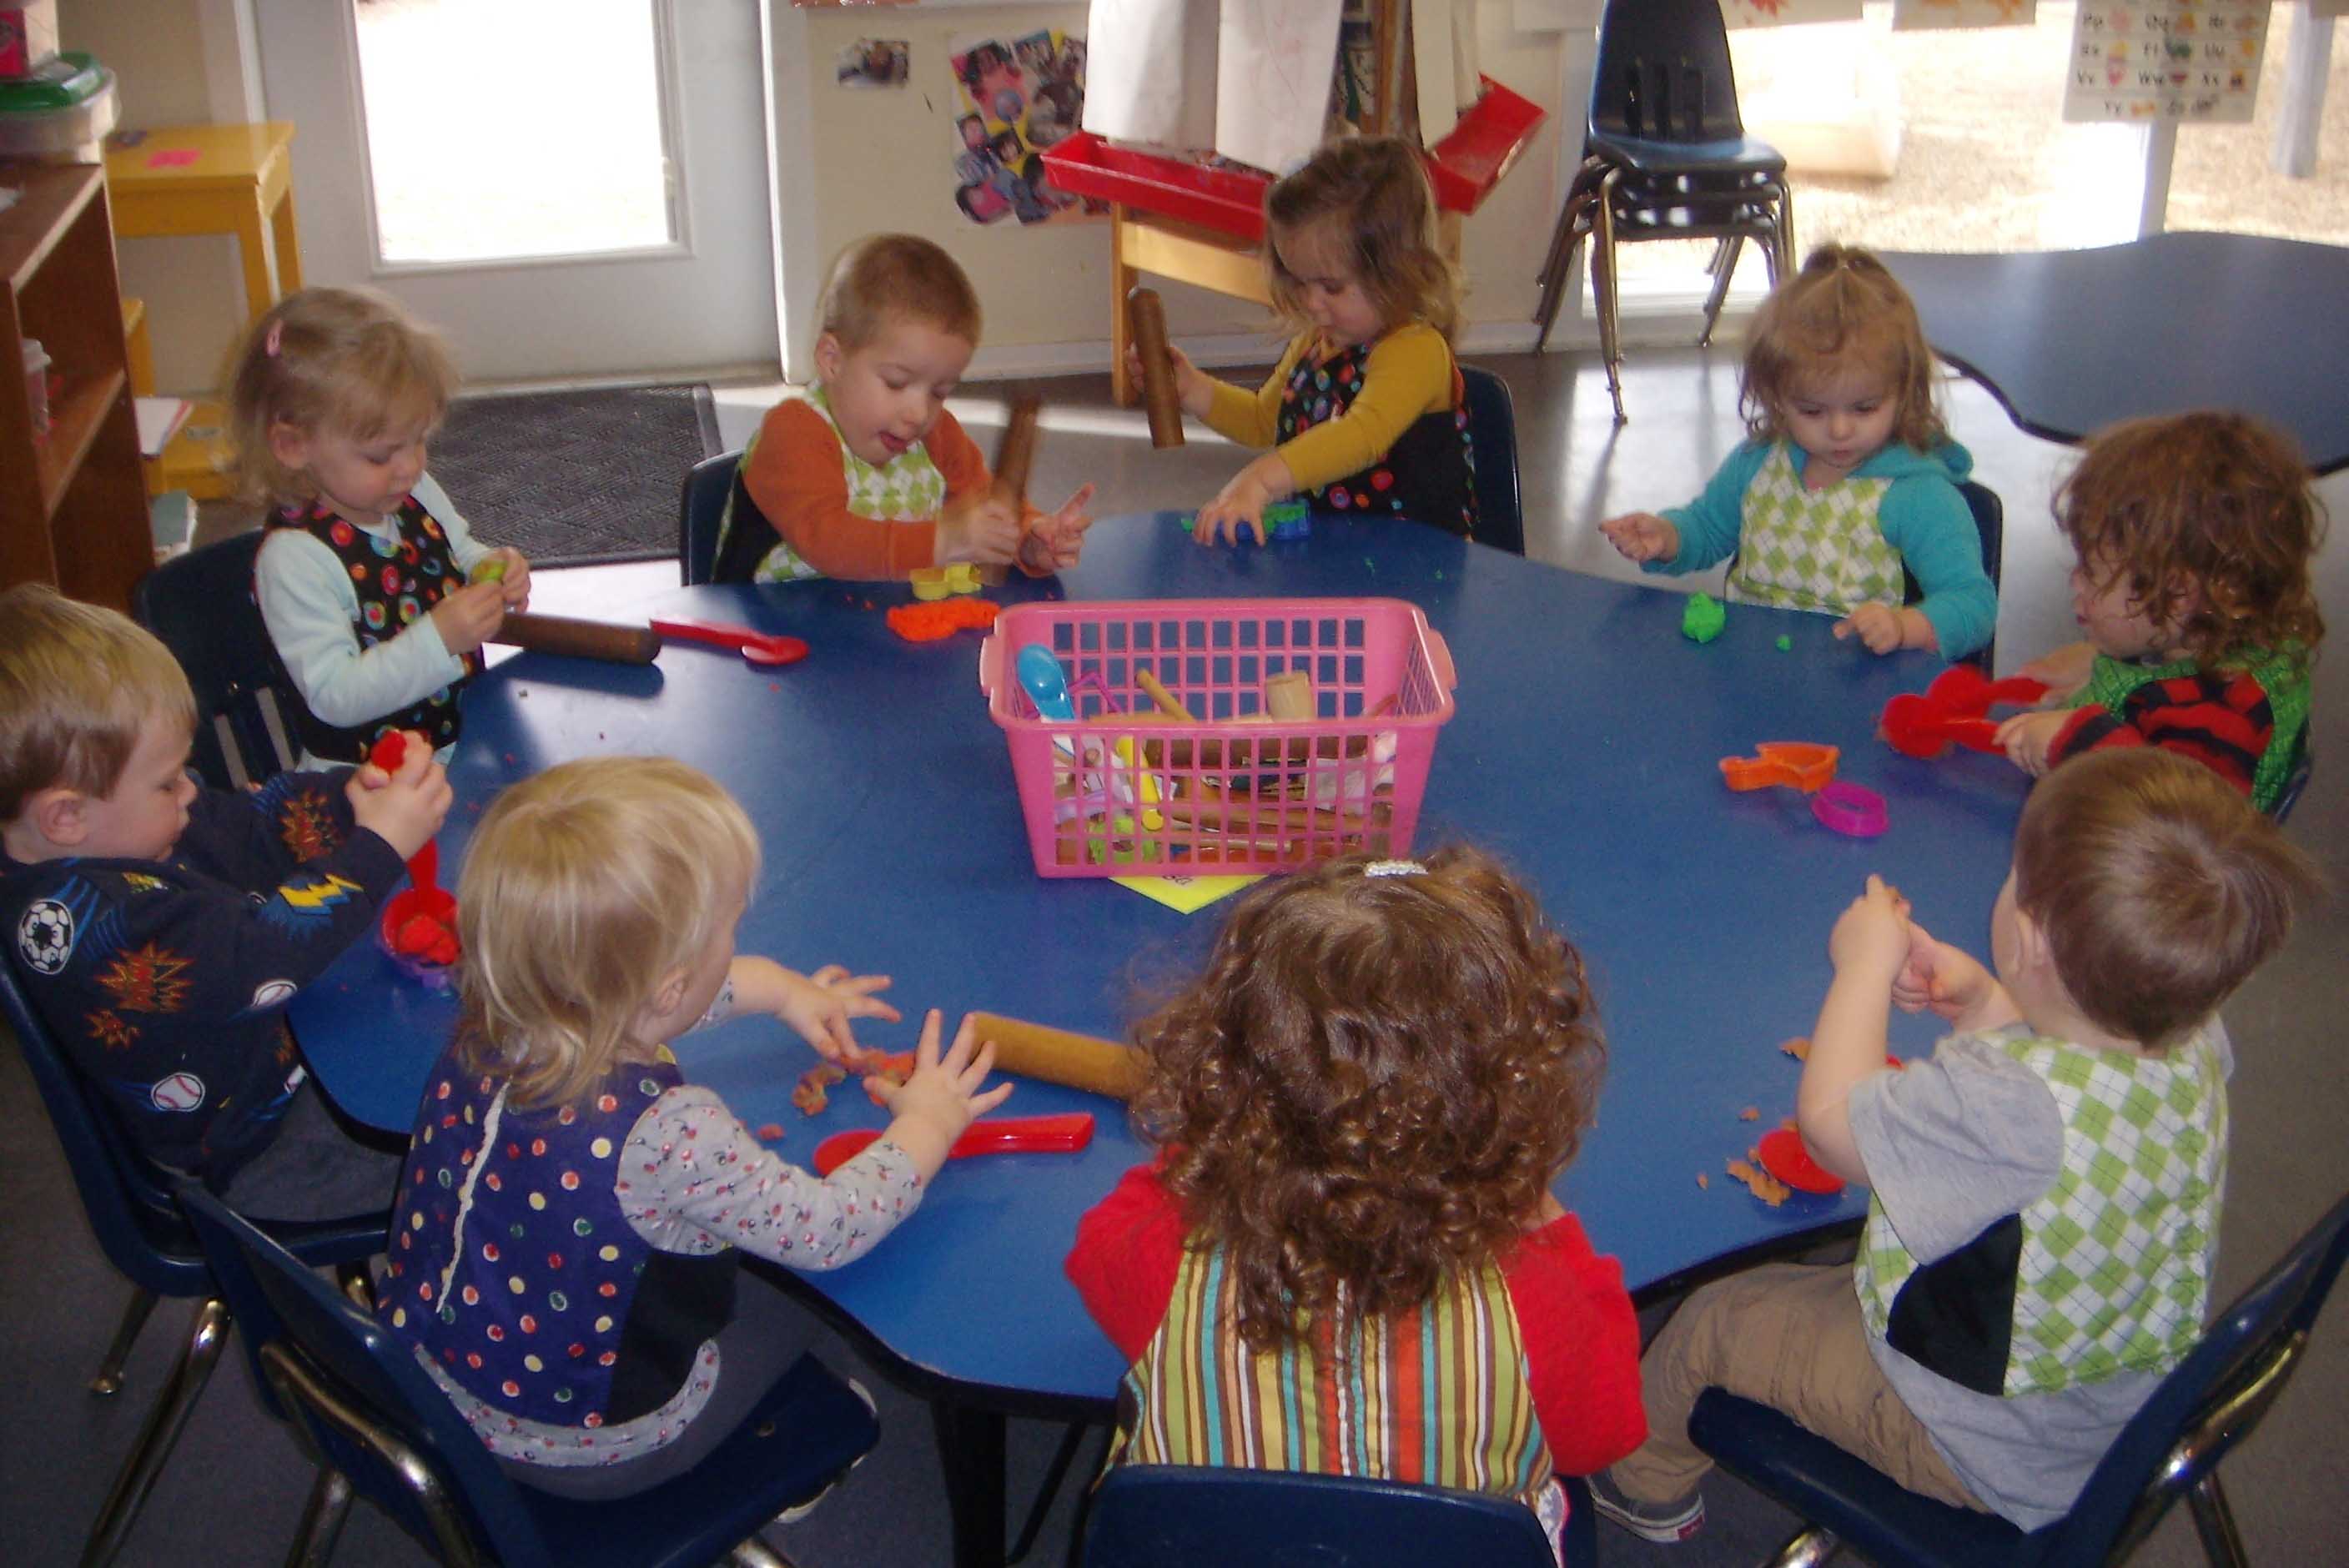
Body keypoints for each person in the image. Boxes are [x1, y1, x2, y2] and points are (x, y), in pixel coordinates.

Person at [1594, 749, 2318, 1542]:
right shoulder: (2191, 1039)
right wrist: (1988, 1002)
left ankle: (1643, 1492)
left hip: (1970, 1440)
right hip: (2097, 1407)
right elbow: (2078, 1074)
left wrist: (1862, 967)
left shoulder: (2007, 1104)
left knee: (1713, 1321)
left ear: (2032, 937)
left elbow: (1833, 1128)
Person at [377, 756, 1010, 1496]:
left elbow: (619, 1005)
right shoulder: (669, 1134)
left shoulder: (493, 1020)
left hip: (426, 1374)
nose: (737, 938)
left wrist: (779, 989)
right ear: (671, 983)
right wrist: (928, 1124)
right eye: (731, 929)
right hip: (586, 1450)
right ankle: (780, 1469)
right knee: (816, 1311)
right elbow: (826, 1228)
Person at [1067, 847, 1645, 1557]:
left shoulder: (1164, 1249)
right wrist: (1551, 1232)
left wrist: (1213, 1152)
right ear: (1508, 1103)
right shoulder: (1536, 1297)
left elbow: (1095, 1256)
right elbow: (1601, 1438)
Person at [0, 585, 451, 1220]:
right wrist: (375, 847)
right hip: (271, 1153)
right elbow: (256, 956)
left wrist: (348, 801)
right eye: (167, 781)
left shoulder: (138, 821)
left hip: (297, 1059)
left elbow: (247, 824)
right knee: (496, 1140)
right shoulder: (84, 929)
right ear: (66, 817)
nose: (189, 789)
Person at [1600, 245, 1997, 661]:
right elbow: (1709, 529)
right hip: (1750, 673)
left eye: (1865, 408)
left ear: (1905, 393)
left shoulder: (1916, 494)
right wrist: (1668, 537)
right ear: (1774, 397)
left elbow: (1973, 603)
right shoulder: (1758, 463)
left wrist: (1905, 627)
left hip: (1852, 690)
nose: (1840, 429)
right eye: (1812, 410)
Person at [227, 286, 533, 769]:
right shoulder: (295, 560)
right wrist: (440, 638)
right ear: (292, 446)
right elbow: (335, 695)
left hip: (455, 748)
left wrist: (490, 566)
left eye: (418, 441)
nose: (409, 466)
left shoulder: (412, 490)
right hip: (365, 788)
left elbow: (457, 551)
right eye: (380, 454)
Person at [1136, 135, 1481, 544]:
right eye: (1300, 282)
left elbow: (1362, 436)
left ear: (1399, 272)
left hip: (1419, 566)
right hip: (1334, 552)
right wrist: (1193, 389)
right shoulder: (1318, 343)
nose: (1312, 303)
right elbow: (1264, 421)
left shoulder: (1417, 349)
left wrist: (1261, 481)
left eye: (1331, 287)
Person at [1994, 411, 2325, 814]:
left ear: (2180, 594)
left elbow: (2181, 822)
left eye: (2092, 572)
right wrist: (2099, 659)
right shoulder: (2201, 637)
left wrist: (2076, 740)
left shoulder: (2224, 712)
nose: (2074, 582)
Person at [713, 234, 1095, 582]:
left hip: (884, 631)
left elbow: (988, 506)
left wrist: (1028, 538)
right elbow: (830, 543)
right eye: (896, 383)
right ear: (832, 360)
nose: (918, 412)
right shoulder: (794, 432)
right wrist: (943, 541)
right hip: (769, 642)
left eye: (939, 391)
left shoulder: (938, 436)